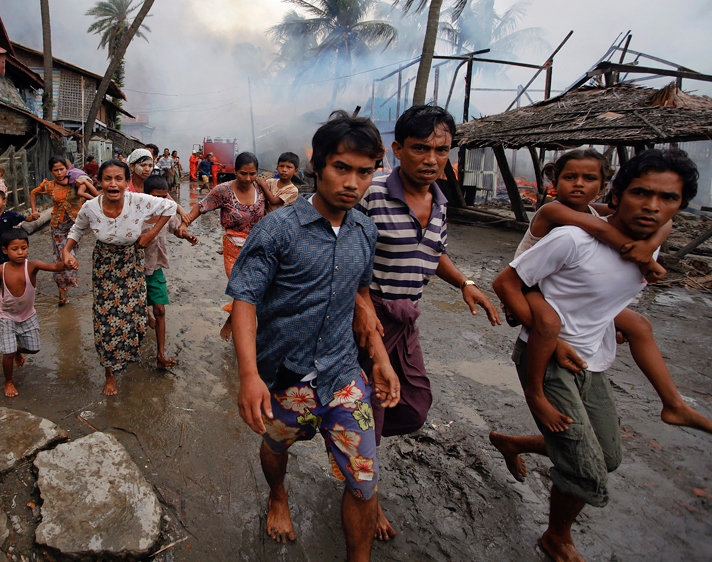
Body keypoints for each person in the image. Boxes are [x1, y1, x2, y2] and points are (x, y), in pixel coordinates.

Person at [488, 148, 699, 562]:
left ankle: (513, 443)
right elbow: (508, 283)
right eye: (641, 193)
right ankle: (556, 537)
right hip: (542, 336)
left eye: (668, 198)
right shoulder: (570, 231)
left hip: (592, 356)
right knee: (587, 469)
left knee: (607, 456)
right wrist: (636, 249)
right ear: (617, 194)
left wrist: (648, 249)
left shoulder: (648, 237)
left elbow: (660, 225)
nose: (653, 206)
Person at [227, 110, 400, 561]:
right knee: (275, 446)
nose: (353, 183)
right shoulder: (278, 229)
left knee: (364, 481)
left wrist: (379, 357)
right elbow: (245, 300)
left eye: (365, 172)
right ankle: (278, 494)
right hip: (287, 375)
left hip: (342, 374)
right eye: (342, 168)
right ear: (317, 166)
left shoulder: (365, 230)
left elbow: (361, 296)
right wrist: (249, 375)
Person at [353, 104, 500, 541]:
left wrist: (464, 283)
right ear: (397, 149)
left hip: (406, 320)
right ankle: (365, 493)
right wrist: (361, 306)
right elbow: (341, 252)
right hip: (366, 319)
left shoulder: (439, 202)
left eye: (441, 150)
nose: (432, 159)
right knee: (372, 412)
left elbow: (432, 253)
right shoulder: (371, 193)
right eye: (420, 148)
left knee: (414, 406)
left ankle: (346, 437)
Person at [499, 149, 712, 440]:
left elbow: (665, 221)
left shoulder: (598, 210)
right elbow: (603, 231)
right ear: (554, 182)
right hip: (530, 286)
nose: (578, 184)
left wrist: (650, 245)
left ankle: (674, 404)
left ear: (602, 188)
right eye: (570, 177)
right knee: (549, 324)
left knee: (639, 325)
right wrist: (644, 257)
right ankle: (536, 393)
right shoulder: (554, 211)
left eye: (589, 179)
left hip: (561, 286)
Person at [62, 159, 177, 396]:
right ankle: (110, 374)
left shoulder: (138, 201)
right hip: (104, 266)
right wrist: (66, 251)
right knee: (105, 320)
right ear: (99, 182)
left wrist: (151, 235)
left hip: (132, 263)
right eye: (107, 179)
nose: (113, 184)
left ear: (126, 182)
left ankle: (127, 354)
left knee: (136, 318)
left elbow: (170, 207)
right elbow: (77, 229)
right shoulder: (91, 207)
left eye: (118, 179)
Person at [182, 152, 284, 340]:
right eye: (243, 173)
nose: (248, 178)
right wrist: (184, 223)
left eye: (252, 174)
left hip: (258, 248)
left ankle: (237, 321)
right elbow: (201, 206)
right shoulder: (223, 190)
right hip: (233, 248)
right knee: (244, 289)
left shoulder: (262, 189)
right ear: (235, 171)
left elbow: (280, 204)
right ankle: (240, 329)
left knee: (259, 290)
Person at [0, 228, 67, 397]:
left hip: (28, 314)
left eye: (24, 248)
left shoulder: (32, 266)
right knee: (7, 353)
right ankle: (8, 381)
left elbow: (55, 267)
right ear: (5, 250)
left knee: (34, 348)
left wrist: (67, 262)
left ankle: (17, 352)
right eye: (15, 249)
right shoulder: (0, 270)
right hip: (6, 315)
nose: (20, 252)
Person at [142, 175, 198, 369]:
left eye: (163, 197)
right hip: (135, 270)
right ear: (145, 195)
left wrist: (187, 235)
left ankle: (160, 354)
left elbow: (176, 230)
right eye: (155, 197)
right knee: (136, 311)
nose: (160, 202)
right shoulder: (136, 215)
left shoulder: (167, 213)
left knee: (160, 310)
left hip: (156, 269)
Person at [30, 156, 94, 305]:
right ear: (51, 171)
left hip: (75, 227)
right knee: (59, 258)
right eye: (55, 170)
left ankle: (68, 281)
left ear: (67, 169)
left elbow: (95, 193)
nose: (59, 173)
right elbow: (33, 193)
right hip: (57, 227)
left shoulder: (75, 182)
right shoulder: (48, 186)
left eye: (61, 169)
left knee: (70, 255)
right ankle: (61, 290)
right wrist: (34, 211)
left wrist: (85, 182)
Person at [0, 191, 40, 286]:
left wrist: (34, 216)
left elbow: (27, 218)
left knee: (11, 265)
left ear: (4, 202)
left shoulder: (10, 215)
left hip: (9, 246)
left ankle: (16, 283)